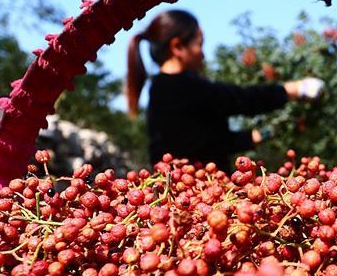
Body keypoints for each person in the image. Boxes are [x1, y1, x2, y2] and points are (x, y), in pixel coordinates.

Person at [125, 9, 324, 171]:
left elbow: (205, 142)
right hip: (201, 197)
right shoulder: (185, 86)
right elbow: (241, 99)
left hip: (182, 198)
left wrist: (261, 134)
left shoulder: (160, 90)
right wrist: (294, 89)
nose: (203, 54)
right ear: (177, 47)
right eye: (199, 44)